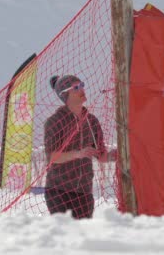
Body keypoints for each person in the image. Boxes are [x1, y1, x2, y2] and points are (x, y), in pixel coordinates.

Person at [44, 74, 109, 219]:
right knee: (65, 236)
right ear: (65, 94)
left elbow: (101, 156)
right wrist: (78, 154)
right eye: (77, 87)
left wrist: (120, 155)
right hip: (58, 190)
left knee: (82, 237)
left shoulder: (92, 121)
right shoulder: (55, 121)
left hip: (84, 192)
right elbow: (52, 157)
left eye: (82, 85)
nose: (82, 90)